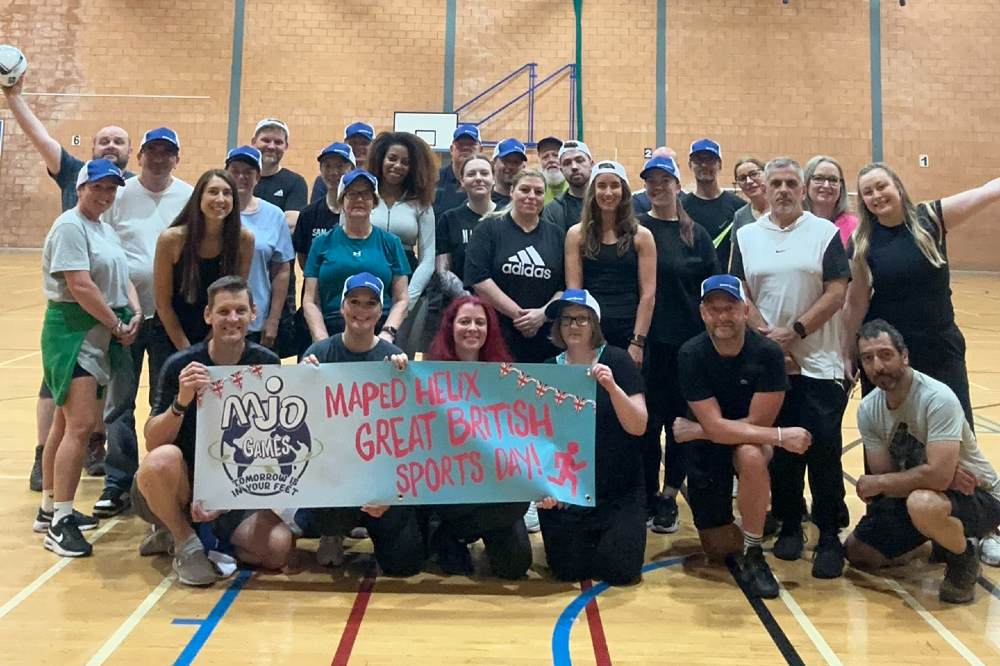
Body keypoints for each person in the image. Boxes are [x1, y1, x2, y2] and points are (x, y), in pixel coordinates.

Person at [2, 75, 133, 490]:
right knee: (57, 393)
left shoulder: (127, 191)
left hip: (113, 305)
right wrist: (14, 96)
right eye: (105, 140)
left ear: (130, 153)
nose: (112, 145)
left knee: (93, 395)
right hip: (78, 310)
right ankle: (46, 461)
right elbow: (38, 134)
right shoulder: (72, 173)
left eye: (119, 141)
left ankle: (92, 446)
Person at [731, 157, 851, 578]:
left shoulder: (825, 233)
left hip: (819, 363)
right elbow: (737, 288)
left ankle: (830, 534)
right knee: (781, 448)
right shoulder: (746, 235)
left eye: (790, 183)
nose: (782, 190)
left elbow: (837, 290)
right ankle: (789, 524)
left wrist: (795, 331)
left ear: (802, 189)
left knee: (824, 450)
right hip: (770, 363)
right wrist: (766, 335)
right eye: (775, 183)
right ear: (764, 188)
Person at [137, 276, 293, 585]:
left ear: (253, 313)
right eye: (223, 312)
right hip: (180, 482)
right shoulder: (182, 364)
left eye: (240, 310)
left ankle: (192, 537)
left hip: (233, 488)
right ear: (208, 315)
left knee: (278, 549)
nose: (232, 319)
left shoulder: (267, 364)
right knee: (161, 459)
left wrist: (229, 498)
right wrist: (181, 401)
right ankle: (185, 541)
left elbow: (273, 445)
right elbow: (153, 440)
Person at [672, 275, 811, 599]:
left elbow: (754, 425)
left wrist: (697, 430)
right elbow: (721, 429)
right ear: (703, 313)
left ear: (745, 310)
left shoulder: (768, 354)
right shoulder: (691, 354)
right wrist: (780, 436)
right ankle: (756, 517)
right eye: (714, 309)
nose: (722, 316)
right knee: (719, 549)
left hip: (740, 442)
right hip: (709, 449)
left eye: (730, 308)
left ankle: (754, 550)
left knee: (750, 453)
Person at [845, 320, 1000, 604]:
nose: (877, 366)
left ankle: (963, 558)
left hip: (977, 493)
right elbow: (888, 479)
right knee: (859, 553)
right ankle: (940, 540)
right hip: (923, 492)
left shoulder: (936, 398)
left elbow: (888, 480)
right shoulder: (869, 408)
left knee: (922, 503)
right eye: (868, 358)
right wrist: (928, 474)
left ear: (904, 356)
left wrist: (926, 476)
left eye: (885, 354)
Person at [37, 160, 141, 557]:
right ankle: (61, 523)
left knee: (66, 425)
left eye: (112, 189)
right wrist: (117, 323)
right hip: (75, 333)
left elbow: (125, 279)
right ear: (80, 188)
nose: (105, 194)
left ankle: (49, 508)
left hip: (102, 331)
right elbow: (79, 284)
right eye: (98, 187)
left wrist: (135, 314)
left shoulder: (104, 228)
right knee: (80, 427)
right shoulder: (70, 226)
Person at [94, 127, 194, 520]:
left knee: (163, 403)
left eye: (166, 152)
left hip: (171, 317)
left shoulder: (187, 196)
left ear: (176, 158)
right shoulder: (120, 195)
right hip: (125, 317)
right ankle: (118, 482)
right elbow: (106, 247)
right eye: (151, 151)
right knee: (119, 402)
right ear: (140, 157)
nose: (158, 158)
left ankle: (154, 485)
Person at [303, 273, 424, 575]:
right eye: (354, 302)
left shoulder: (395, 358)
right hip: (333, 470)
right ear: (342, 307)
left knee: (404, 564)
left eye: (370, 303)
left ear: (380, 310)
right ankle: (333, 529)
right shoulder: (319, 354)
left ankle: (373, 523)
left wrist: (405, 379)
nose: (362, 310)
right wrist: (302, 381)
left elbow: (408, 435)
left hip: (380, 474)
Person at [536, 290, 648, 585]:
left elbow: (638, 426)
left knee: (621, 572)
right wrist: (546, 487)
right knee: (568, 571)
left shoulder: (618, 361)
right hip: (569, 494)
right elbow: (538, 438)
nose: (573, 325)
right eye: (567, 319)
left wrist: (612, 388)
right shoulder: (548, 369)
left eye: (582, 319)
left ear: (595, 324)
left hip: (618, 490)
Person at [636, 156, 719, 533]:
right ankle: (646, 493)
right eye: (650, 181)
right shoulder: (637, 229)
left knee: (680, 425)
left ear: (676, 185)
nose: (657, 187)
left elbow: (712, 287)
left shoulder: (695, 234)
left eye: (664, 180)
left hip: (688, 346)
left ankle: (670, 495)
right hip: (650, 344)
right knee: (648, 424)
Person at [422, 295, 532, 578]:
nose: (472, 328)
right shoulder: (428, 376)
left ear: (489, 329)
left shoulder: (506, 377)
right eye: (465, 321)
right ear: (450, 327)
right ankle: (447, 530)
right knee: (454, 568)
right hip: (448, 486)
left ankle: (455, 533)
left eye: (480, 322)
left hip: (494, 487)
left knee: (515, 566)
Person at [149, 169, 254, 373]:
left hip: (218, 332)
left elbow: (236, 297)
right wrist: (188, 352)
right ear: (199, 197)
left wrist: (207, 347)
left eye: (227, 193)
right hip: (171, 332)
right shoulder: (171, 239)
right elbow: (162, 304)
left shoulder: (244, 240)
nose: (220, 199)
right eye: (213, 192)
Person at [464, 168, 565, 363]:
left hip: (544, 335)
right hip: (497, 331)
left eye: (538, 192)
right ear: (512, 192)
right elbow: (479, 279)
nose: (531, 196)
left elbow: (565, 286)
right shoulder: (488, 228)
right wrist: (519, 316)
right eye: (525, 190)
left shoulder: (557, 235)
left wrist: (542, 314)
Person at [301, 168, 410, 344]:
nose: (359, 199)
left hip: (378, 330)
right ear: (341, 201)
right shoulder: (322, 243)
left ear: (374, 202)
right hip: (331, 330)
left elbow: (402, 299)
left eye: (366, 194)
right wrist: (321, 339)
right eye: (352, 194)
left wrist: (387, 334)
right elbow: (310, 300)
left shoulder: (391, 243)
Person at [565, 160, 655, 362]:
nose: (608, 192)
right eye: (602, 186)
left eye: (614, 185)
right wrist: (578, 336)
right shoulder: (576, 235)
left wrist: (637, 342)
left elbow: (648, 295)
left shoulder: (642, 236)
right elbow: (574, 293)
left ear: (623, 191)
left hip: (629, 332)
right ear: (592, 192)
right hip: (591, 332)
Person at [367, 131, 437, 354]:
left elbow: (428, 259)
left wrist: (409, 298)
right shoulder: (362, 195)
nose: (398, 166)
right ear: (380, 159)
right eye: (392, 158)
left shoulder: (421, 203)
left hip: (407, 284)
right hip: (365, 282)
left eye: (405, 162)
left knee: (398, 357)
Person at [225, 146, 293, 349]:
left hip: (256, 318)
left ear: (258, 177)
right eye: (235, 171)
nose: (241, 177)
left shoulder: (274, 215)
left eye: (248, 172)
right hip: (216, 319)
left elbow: (281, 270)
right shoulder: (213, 210)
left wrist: (272, 320)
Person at [251, 118, 308, 359]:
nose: (271, 146)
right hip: (242, 275)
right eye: (266, 140)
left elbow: (292, 224)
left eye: (278, 141)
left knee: (271, 346)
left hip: (278, 272)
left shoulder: (294, 182)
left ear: (286, 146)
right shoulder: (238, 176)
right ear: (254, 142)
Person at [292, 142, 356, 356]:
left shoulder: (361, 213)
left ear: (351, 170)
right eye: (327, 166)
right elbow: (303, 257)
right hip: (316, 299)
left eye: (340, 166)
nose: (333, 172)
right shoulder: (309, 213)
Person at [435, 153, 496, 301]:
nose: (478, 178)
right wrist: (469, 300)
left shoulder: (507, 216)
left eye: (484, 173)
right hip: (461, 305)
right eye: (471, 174)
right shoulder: (449, 219)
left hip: (503, 307)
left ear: (493, 179)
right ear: (462, 181)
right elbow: (443, 271)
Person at [681, 138, 746, 266]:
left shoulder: (738, 207)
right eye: (699, 160)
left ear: (720, 165)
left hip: (725, 283)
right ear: (690, 165)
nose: (704, 165)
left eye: (710, 160)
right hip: (691, 283)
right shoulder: (680, 208)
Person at [311, 121, 376, 204]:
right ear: (345, 143)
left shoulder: (379, 178)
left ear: (373, 145)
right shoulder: (325, 180)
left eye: (364, 143)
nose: (358, 147)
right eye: (353, 143)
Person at [803, 155, 857, 249]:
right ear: (806, 184)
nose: (826, 185)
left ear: (841, 186)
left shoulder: (855, 227)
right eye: (819, 178)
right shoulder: (793, 223)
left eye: (833, 180)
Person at [540, 140, 593, 231]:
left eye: (579, 160)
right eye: (567, 163)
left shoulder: (607, 202)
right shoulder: (552, 212)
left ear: (591, 164)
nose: (574, 167)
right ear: (561, 170)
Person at [432, 124, 482, 218]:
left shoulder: (488, 183)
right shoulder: (434, 180)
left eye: (471, 144)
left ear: (481, 149)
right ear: (451, 149)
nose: (465, 147)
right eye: (460, 144)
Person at [632, 146, 680, 215]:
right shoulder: (636, 201)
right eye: (651, 180)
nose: (658, 187)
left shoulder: (688, 202)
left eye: (665, 180)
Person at [730, 157, 768, 240]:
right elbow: (735, 252)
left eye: (754, 174)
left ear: (766, 174)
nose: (749, 181)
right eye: (742, 178)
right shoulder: (740, 216)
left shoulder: (782, 210)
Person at [491, 138, 528, 207]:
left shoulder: (528, 202)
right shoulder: (483, 200)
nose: (511, 166)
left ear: (523, 167)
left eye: (516, 162)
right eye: (506, 161)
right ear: (494, 164)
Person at [537, 135, 569, 204]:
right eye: (545, 157)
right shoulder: (535, 190)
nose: (551, 160)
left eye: (555, 155)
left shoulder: (575, 186)